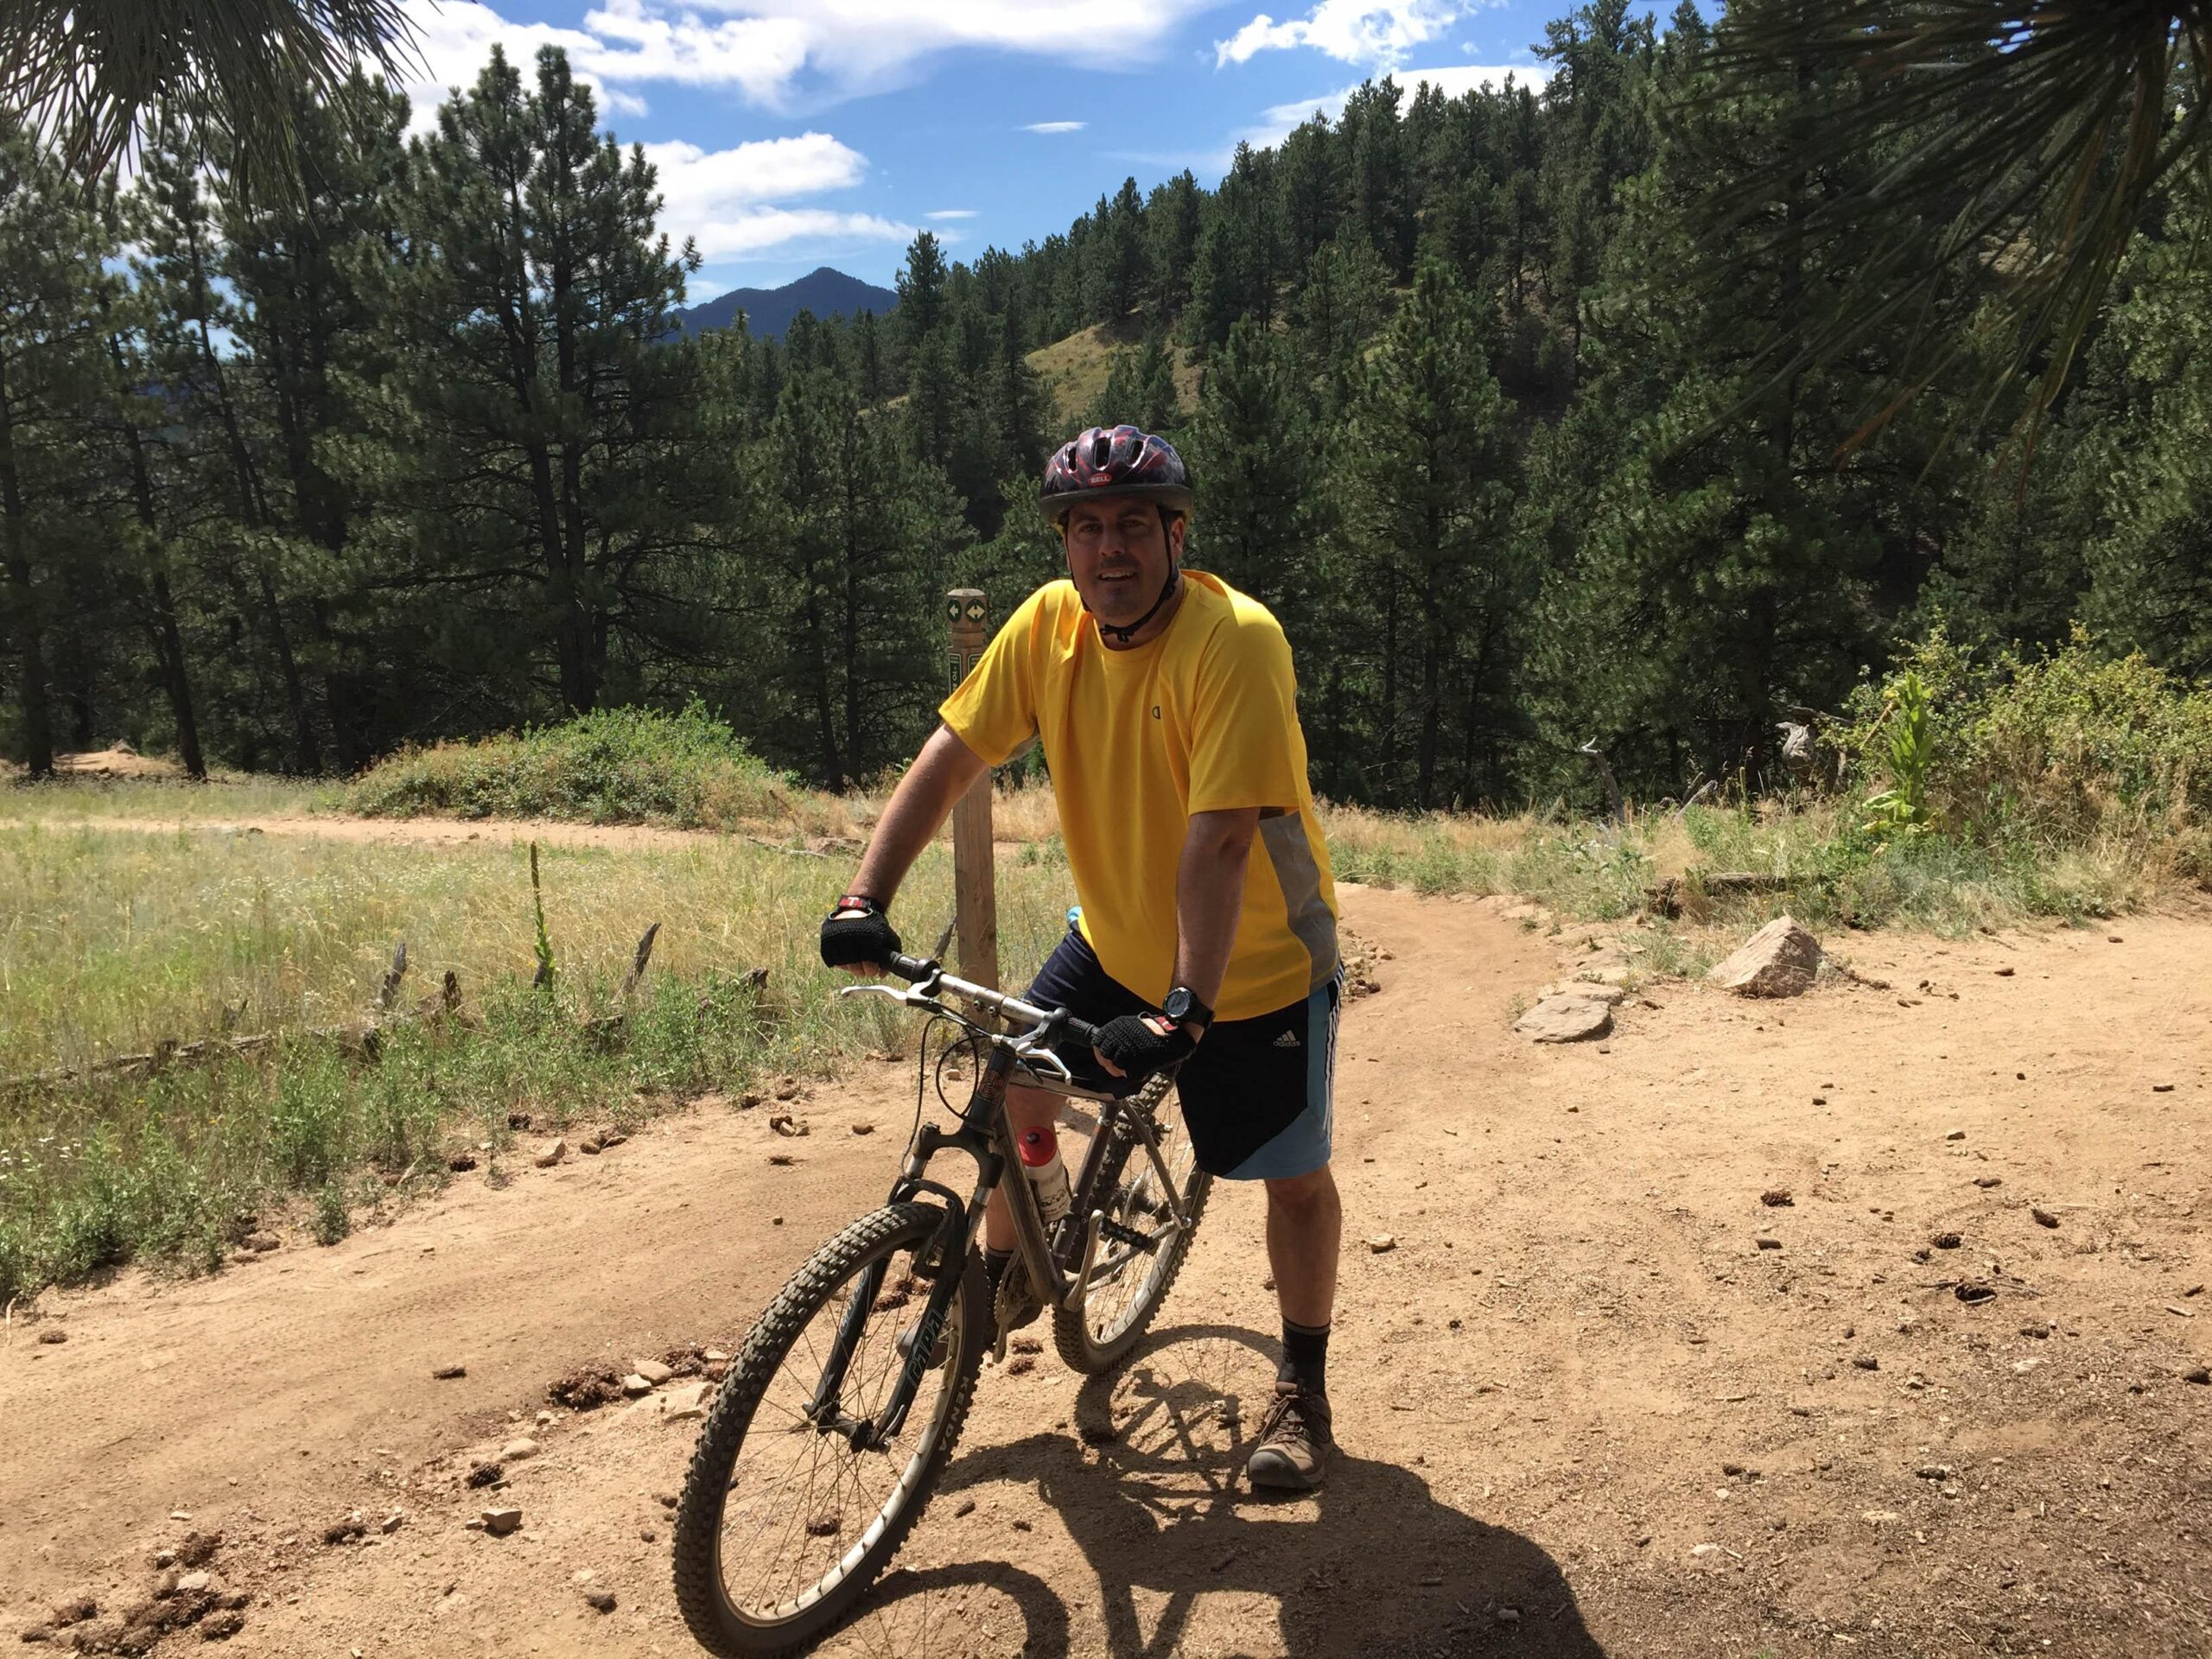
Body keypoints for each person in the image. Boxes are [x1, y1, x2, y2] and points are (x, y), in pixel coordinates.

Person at [818, 423, 1344, 1492]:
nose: (1110, 550)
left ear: (1175, 535)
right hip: (1112, 942)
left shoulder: (1233, 640)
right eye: (1087, 527)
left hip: (1251, 972)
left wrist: (1186, 1005)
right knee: (1011, 1080)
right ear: (1065, 542)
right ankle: (1015, 1266)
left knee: (1287, 1184)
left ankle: (1303, 1385)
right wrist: (862, 895)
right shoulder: (1048, 628)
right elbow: (955, 754)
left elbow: (1222, 839)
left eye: (1133, 527)